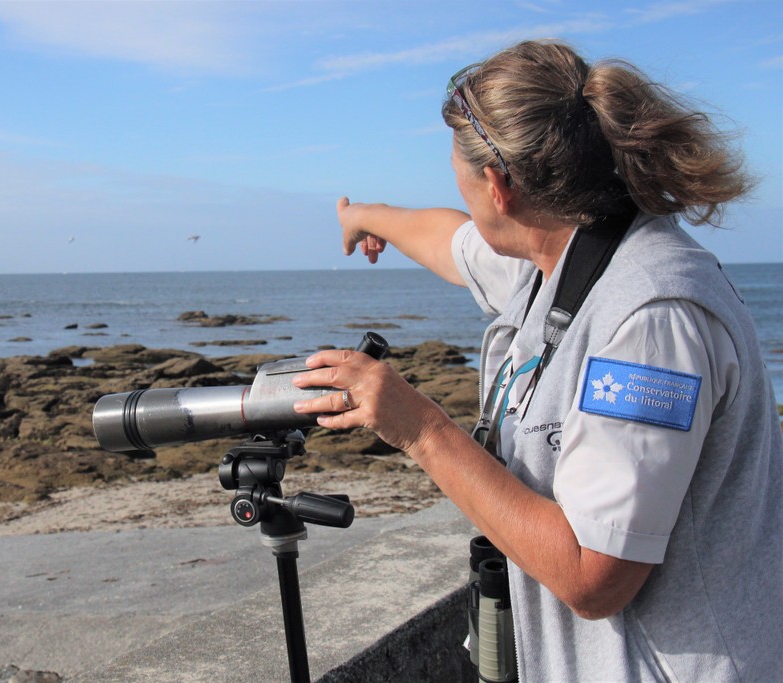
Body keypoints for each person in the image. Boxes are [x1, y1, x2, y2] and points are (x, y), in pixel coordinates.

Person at [292, 39, 783, 681]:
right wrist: (364, 217)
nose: (462, 199)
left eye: (459, 177)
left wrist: (420, 427)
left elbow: (593, 575)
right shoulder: (564, 253)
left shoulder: (649, 322)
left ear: (499, 186)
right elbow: (451, 242)